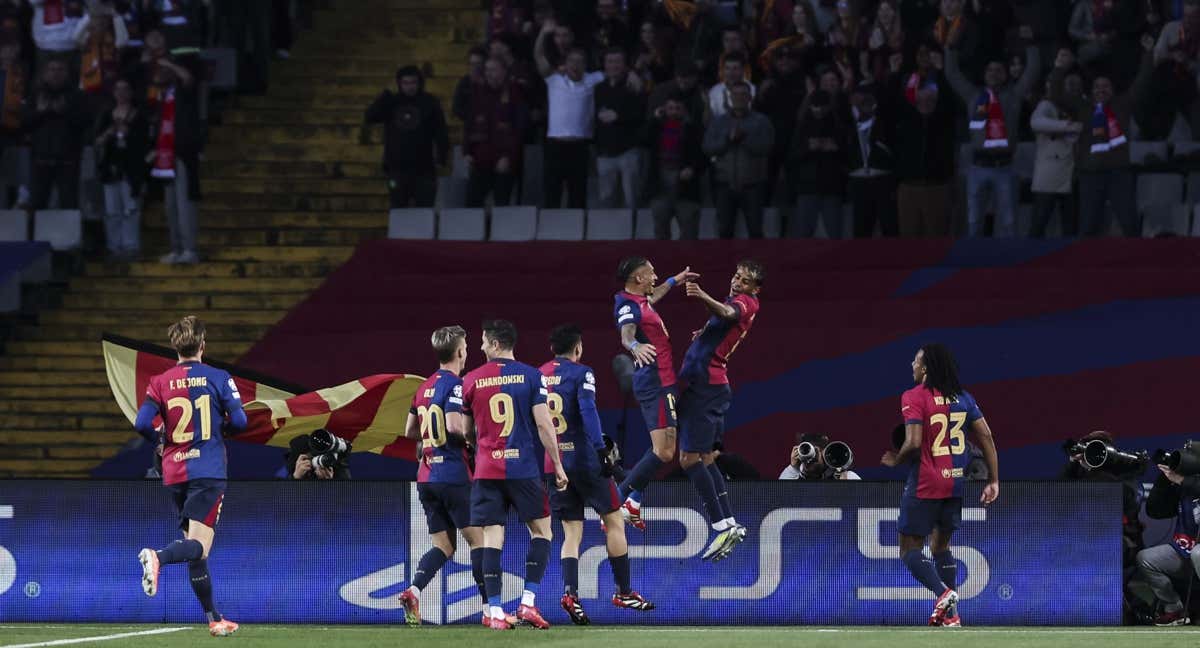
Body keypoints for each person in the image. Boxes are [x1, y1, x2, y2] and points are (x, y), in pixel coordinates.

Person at [133, 316, 245, 637]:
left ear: (175, 347)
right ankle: (158, 557)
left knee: (195, 545)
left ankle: (214, 617)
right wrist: (217, 428)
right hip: (207, 470)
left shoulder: (159, 381)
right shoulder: (219, 377)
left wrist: (159, 439)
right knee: (198, 544)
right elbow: (240, 421)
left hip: (174, 471)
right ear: (203, 345)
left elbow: (142, 423)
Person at [541, 324, 654, 625]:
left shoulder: (537, 375)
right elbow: (588, 411)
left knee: (571, 533)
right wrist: (601, 450)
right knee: (614, 520)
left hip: (554, 464)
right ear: (577, 348)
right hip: (585, 461)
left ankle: (569, 593)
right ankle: (624, 591)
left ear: (552, 349)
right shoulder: (582, 373)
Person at [882, 343, 1000, 627]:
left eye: (916, 361)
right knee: (940, 547)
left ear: (924, 369)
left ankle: (943, 594)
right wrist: (993, 480)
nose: (912, 364)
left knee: (909, 549)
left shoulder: (914, 396)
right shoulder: (964, 397)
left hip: (926, 481)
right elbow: (986, 437)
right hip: (955, 482)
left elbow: (911, 443)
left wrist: (895, 461)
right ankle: (952, 616)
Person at [461, 319, 568, 630]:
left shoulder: (470, 380)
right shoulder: (533, 376)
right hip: (522, 469)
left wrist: (480, 445)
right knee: (543, 532)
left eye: (483, 341)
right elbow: (545, 425)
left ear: (495, 344)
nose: (480, 347)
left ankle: (494, 611)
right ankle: (528, 602)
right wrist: (558, 465)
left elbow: (467, 432)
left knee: (492, 538)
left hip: (486, 470)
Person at [398, 326, 493, 626]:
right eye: (466, 347)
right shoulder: (455, 385)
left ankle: (413, 590)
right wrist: (474, 439)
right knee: (479, 543)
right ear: (460, 352)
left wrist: (428, 440)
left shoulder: (423, 387)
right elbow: (454, 426)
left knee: (444, 546)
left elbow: (409, 431)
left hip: (426, 477)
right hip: (453, 475)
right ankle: (492, 609)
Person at [678, 260, 763, 561]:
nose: (737, 282)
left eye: (745, 280)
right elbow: (723, 318)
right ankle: (728, 523)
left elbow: (728, 313)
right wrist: (705, 332)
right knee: (705, 457)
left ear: (755, 289)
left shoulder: (746, 303)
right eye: (736, 276)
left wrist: (701, 295)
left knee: (688, 460)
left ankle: (720, 525)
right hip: (706, 386)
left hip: (707, 388)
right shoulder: (733, 301)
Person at [613, 256, 697, 530]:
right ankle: (615, 502)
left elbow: (654, 297)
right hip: (655, 382)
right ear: (638, 278)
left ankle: (633, 501)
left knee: (661, 448)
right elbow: (626, 335)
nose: (655, 276)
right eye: (651, 273)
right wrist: (635, 346)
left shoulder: (641, 300)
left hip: (665, 381)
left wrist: (675, 280)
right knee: (663, 451)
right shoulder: (628, 304)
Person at [1051, 35, 1154, 237]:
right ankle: (1084, 267)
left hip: (1119, 174)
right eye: (1097, 87)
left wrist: (1148, 54)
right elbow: (1056, 96)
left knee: (1129, 223)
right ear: (1091, 91)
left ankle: (1139, 265)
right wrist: (1059, 68)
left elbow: (1143, 81)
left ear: (1113, 90)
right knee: (1087, 226)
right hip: (1090, 175)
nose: (1101, 90)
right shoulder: (1082, 107)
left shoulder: (1123, 104)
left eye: (1105, 86)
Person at [944, 28, 1040, 237]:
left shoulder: (1014, 95)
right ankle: (973, 266)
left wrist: (1031, 44)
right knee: (974, 221)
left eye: (999, 70)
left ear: (1005, 74)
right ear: (984, 75)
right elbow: (952, 74)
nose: (994, 74)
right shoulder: (972, 95)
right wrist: (950, 47)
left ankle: (1010, 266)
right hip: (977, 167)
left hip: (1005, 167)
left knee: (1009, 222)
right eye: (990, 70)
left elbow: (1032, 71)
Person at [535, 19, 604, 209]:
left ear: (585, 64)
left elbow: (618, 72)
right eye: (572, 61)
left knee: (578, 193)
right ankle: (551, 235)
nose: (575, 64)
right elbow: (539, 56)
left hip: (580, 146)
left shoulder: (594, 79)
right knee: (551, 192)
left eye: (580, 61)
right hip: (554, 145)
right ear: (565, 64)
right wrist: (543, 33)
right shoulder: (554, 80)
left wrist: (631, 74)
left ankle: (576, 237)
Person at [364, 65, 450, 209]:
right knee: (398, 210)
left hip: (424, 169)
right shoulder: (391, 102)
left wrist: (442, 157)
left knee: (424, 212)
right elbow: (369, 117)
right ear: (399, 83)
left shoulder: (430, 102)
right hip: (396, 169)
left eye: (413, 82)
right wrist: (384, 97)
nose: (410, 87)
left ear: (419, 83)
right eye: (405, 83)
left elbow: (440, 131)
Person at [146, 54, 202, 264]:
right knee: (170, 205)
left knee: (184, 202)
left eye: (164, 70)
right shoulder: (162, 95)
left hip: (183, 153)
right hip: (165, 157)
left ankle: (190, 249)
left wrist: (168, 63)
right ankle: (176, 248)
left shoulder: (184, 91)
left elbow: (188, 78)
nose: (159, 73)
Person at [703, 82, 774, 239]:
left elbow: (767, 147)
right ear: (730, 98)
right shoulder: (718, 122)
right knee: (724, 231)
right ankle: (724, 263)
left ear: (749, 97)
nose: (739, 98)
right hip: (724, 184)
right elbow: (708, 147)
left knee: (755, 231)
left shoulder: (761, 121)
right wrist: (727, 140)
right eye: (735, 95)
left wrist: (744, 139)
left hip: (753, 183)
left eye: (743, 94)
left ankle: (756, 263)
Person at [1135, 458, 1200, 627]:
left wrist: (1182, 479)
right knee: (1146, 558)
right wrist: (1164, 479)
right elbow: (1155, 511)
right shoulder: (1183, 489)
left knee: (1198, 553)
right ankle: (1175, 609)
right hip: (1184, 552)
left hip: (1197, 553)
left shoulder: (1190, 483)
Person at [94, 77, 149, 259]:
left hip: (131, 166)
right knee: (111, 210)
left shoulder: (139, 115)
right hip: (110, 167)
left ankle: (131, 246)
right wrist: (109, 133)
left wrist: (129, 134)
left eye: (125, 89)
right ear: (113, 93)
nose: (122, 93)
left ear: (132, 93)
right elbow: (97, 141)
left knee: (131, 209)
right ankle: (114, 247)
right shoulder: (106, 114)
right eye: (118, 89)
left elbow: (145, 142)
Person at [22, 57, 86, 211]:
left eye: (60, 69)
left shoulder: (77, 95)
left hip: (68, 160)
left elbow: (85, 123)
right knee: (37, 203)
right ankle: (35, 235)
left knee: (69, 203)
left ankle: (69, 236)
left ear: (67, 73)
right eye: (52, 69)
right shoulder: (35, 94)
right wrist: (41, 112)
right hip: (40, 159)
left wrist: (65, 111)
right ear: (45, 73)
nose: (56, 73)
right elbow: (24, 123)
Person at [1029, 60, 1083, 238]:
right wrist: (1069, 126)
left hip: (1073, 174)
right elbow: (1035, 123)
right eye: (1069, 84)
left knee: (1070, 227)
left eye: (1077, 84)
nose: (1073, 88)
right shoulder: (1047, 105)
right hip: (1049, 175)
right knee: (1039, 223)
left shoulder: (1083, 107)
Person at [464, 57, 527, 208]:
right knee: (472, 203)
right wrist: (466, 151)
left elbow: (519, 129)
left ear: (504, 72)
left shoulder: (515, 93)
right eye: (487, 70)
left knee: (502, 205)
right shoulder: (478, 92)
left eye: (494, 69)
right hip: (480, 158)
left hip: (504, 160)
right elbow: (469, 124)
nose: (490, 73)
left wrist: (508, 157)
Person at [642, 92, 705, 240]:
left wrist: (693, 168)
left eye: (677, 108)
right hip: (660, 185)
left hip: (686, 186)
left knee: (689, 233)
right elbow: (642, 139)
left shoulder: (694, 129)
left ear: (684, 110)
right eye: (670, 108)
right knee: (661, 233)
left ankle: (688, 263)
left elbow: (704, 155)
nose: (674, 112)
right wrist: (655, 118)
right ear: (664, 109)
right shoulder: (656, 127)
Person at [786, 89, 847, 238]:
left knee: (834, 233)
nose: (818, 110)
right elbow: (791, 155)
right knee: (803, 234)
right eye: (815, 106)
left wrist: (835, 148)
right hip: (808, 186)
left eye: (822, 106)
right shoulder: (801, 126)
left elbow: (848, 154)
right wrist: (808, 147)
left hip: (831, 187)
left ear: (829, 106)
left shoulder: (838, 125)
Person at [594, 48, 645, 209]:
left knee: (631, 200)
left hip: (628, 151)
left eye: (617, 61)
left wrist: (618, 117)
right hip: (605, 153)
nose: (613, 65)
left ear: (624, 65)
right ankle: (608, 233)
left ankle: (633, 234)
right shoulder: (599, 88)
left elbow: (642, 114)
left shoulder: (633, 85)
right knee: (606, 200)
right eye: (610, 61)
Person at [779, 433, 862, 480]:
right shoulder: (792, 475)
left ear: (825, 455)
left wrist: (847, 487)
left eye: (816, 452)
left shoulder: (847, 477)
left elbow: (867, 503)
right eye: (806, 452)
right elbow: (777, 496)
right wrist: (793, 468)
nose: (809, 460)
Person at [706, 52, 756, 120]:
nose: (731, 73)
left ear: (743, 70)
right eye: (727, 68)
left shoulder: (752, 89)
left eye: (735, 68)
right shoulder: (715, 91)